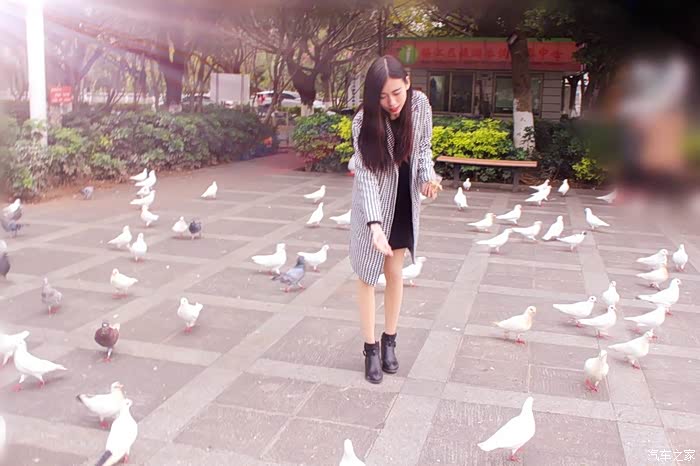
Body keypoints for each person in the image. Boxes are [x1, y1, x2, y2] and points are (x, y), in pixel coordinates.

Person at [349, 55, 438, 384]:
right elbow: (365, 175)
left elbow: (424, 147)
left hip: (402, 199)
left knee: (395, 272)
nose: (392, 102)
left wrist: (427, 178)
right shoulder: (363, 121)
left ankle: (390, 341)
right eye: (383, 96)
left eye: (397, 93)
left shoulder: (421, 105)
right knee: (367, 276)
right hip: (372, 205)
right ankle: (370, 348)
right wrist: (374, 225)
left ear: (408, 83)